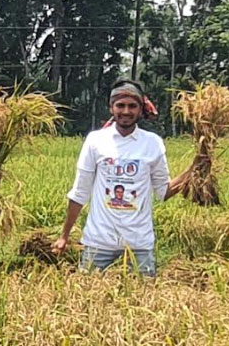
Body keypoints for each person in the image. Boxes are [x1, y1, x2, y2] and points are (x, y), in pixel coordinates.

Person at [50, 79, 192, 277]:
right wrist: (64, 236)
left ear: (141, 109)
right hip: (99, 241)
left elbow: (164, 191)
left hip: (139, 244)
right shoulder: (96, 141)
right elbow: (80, 192)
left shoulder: (152, 143)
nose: (126, 111)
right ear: (112, 108)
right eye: (120, 105)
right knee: (88, 293)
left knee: (144, 294)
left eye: (132, 106)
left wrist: (194, 170)